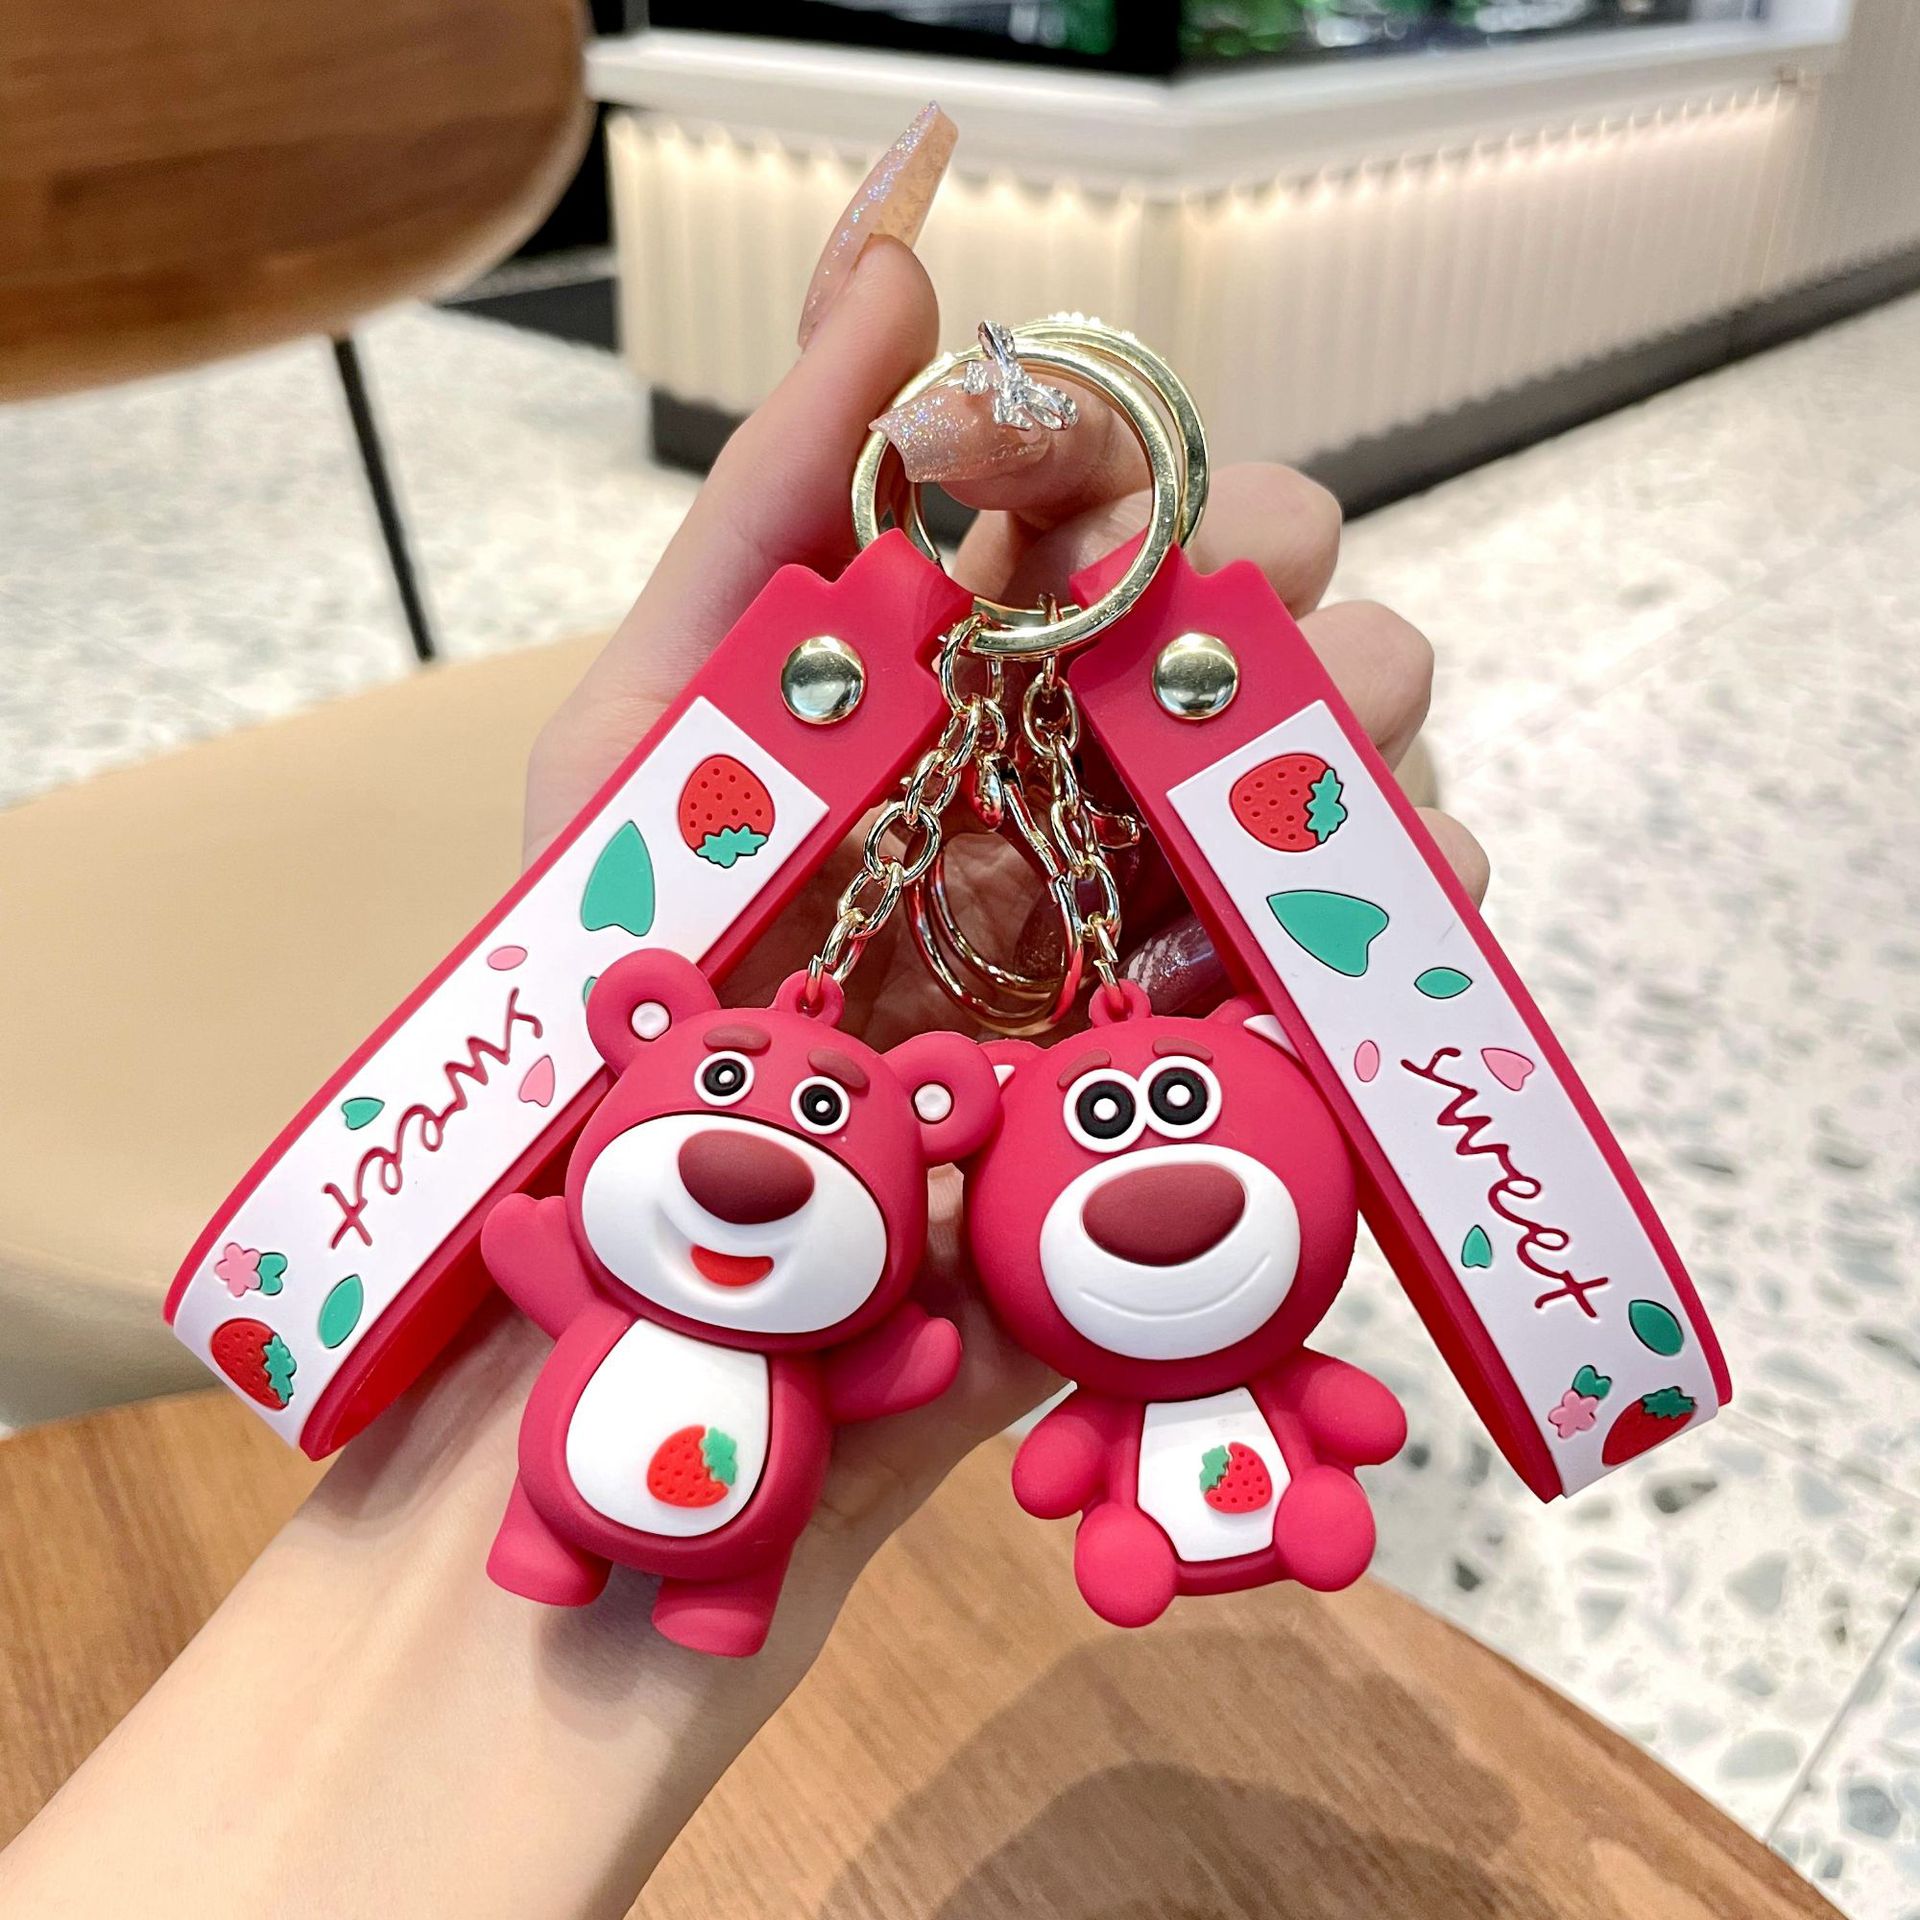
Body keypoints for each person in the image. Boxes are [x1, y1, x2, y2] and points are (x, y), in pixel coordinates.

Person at [0, 108, 1483, 1919]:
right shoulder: (685, 1089)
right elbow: (561, 1246)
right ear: (642, 1036)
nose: (751, 1170)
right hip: (623, 1416)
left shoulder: (915, 1202)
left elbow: (799, 1321)